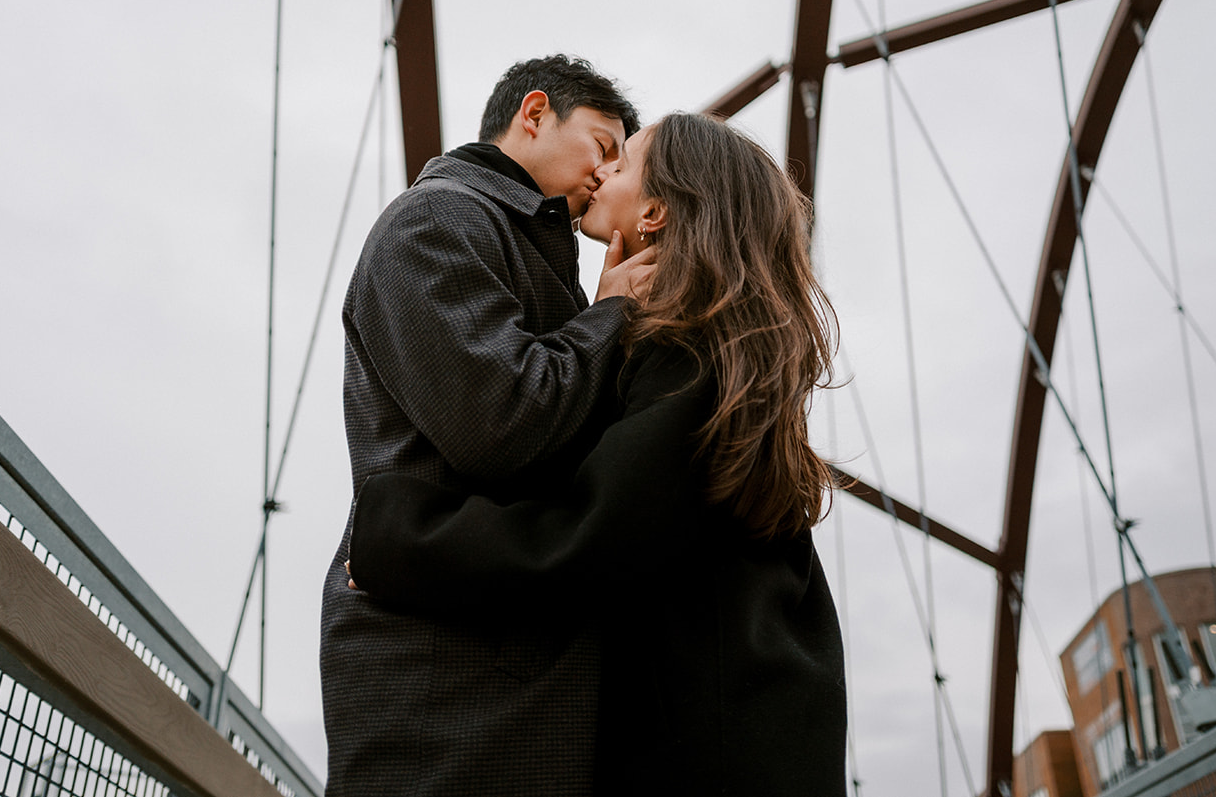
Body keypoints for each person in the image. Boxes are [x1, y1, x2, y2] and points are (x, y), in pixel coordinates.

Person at [347, 112, 849, 796]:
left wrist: (399, 536)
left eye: (625, 159)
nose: (603, 173)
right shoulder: (719, 353)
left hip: (711, 756)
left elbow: (591, 537)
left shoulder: (685, 356)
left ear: (655, 210)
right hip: (749, 733)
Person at [320, 55, 650, 796]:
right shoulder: (434, 220)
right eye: (603, 145)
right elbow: (499, 420)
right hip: (441, 672)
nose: (611, 172)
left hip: (486, 650)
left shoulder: (523, 248)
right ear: (533, 114)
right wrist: (610, 315)